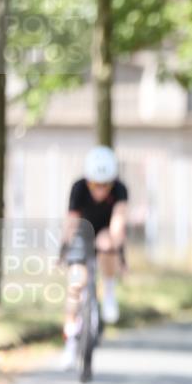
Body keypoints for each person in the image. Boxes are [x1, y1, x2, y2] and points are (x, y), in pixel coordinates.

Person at [59, 146, 128, 369]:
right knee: (75, 284)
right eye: (94, 185)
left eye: (104, 185)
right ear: (88, 181)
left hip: (106, 233)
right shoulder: (78, 188)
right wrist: (63, 251)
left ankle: (108, 290)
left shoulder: (120, 190)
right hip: (82, 232)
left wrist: (118, 253)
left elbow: (119, 223)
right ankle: (70, 342)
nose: (99, 191)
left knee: (107, 242)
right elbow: (71, 222)